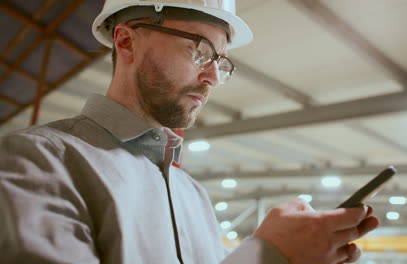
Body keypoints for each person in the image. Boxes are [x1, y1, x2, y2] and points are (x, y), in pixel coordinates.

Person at [0, 0, 380, 263]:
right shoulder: (39, 161)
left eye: (221, 60)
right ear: (126, 40)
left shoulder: (192, 194)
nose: (214, 76)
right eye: (199, 50)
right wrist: (269, 255)